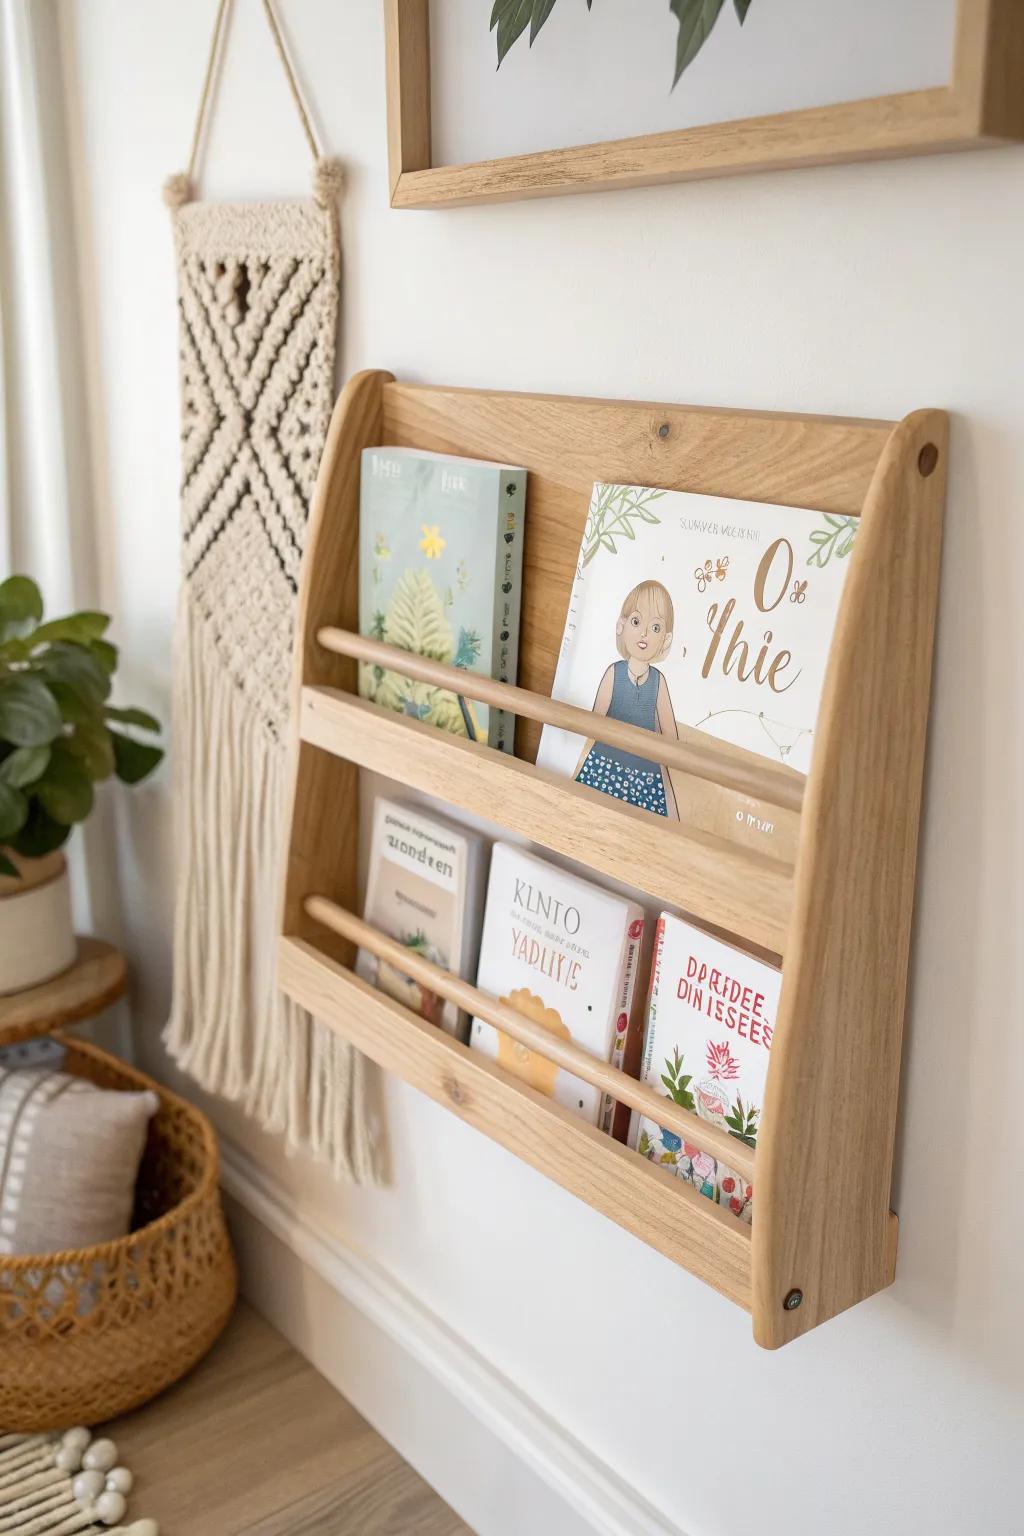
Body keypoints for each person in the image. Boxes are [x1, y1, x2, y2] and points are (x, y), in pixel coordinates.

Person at [573, 579, 680, 819]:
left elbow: (671, 738)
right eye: (636, 621)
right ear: (622, 625)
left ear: (666, 639)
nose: (644, 634)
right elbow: (592, 724)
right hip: (605, 764)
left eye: (655, 628)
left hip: (645, 776)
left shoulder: (659, 682)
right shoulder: (614, 673)